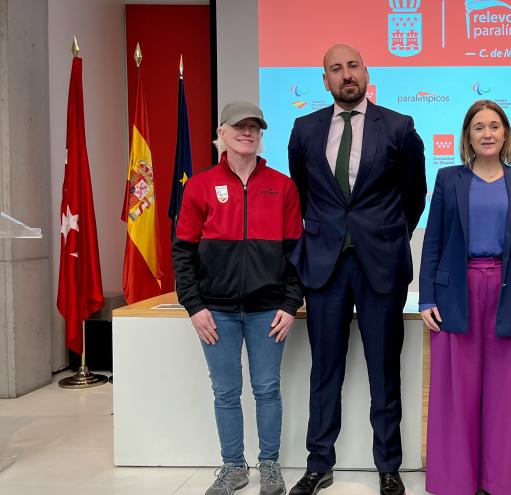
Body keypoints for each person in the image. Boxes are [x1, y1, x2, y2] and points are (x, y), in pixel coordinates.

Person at [286, 43, 426, 495]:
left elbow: (414, 195)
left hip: (380, 266)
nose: (346, 74)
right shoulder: (304, 129)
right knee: (324, 370)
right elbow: (305, 193)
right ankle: (318, 463)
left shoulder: (400, 127)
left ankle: (388, 465)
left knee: (384, 369)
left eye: (353, 66)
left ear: (366, 72)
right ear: (324, 79)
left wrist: (387, 235)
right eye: (335, 68)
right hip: (324, 268)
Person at [172, 101, 304, 495]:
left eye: (254, 128)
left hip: (269, 310)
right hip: (216, 312)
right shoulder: (199, 185)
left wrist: (289, 302)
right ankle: (233, 467)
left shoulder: (282, 186)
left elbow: (297, 252)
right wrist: (194, 306)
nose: (247, 133)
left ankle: (269, 466)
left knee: (267, 389)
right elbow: (182, 251)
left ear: (261, 136)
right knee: (225, 391)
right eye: (239, 127)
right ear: (222, 134)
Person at [418, 99, 511, 495]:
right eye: (478, 127)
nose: (487, 133)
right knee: (457, 389)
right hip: (458, 289)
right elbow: (433, 240)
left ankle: (502, 481)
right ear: (467, 136)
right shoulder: (448, 179)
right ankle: (456, 481)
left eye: (494, 126)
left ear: (505, 133)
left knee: (507, 392)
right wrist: (426, 299)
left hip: (509, 292)